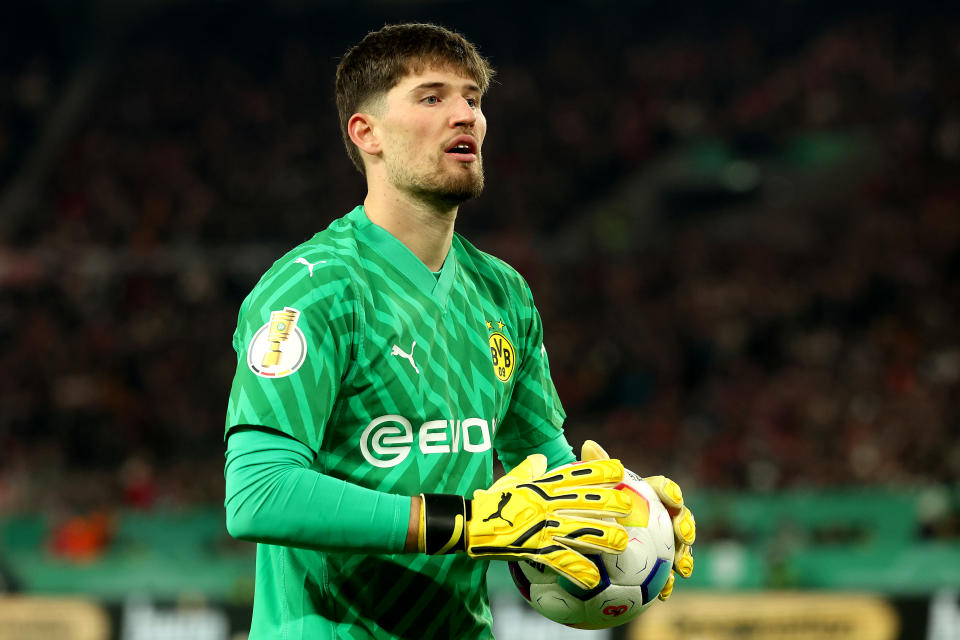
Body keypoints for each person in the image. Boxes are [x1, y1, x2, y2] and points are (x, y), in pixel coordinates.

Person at [224, 23, 695, 639]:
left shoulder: (504, 293)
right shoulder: (314, 288)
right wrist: (465, 524)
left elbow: (541, 467)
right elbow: (258, 493)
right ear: (366, 134)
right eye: (431, 97)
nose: (466, 115)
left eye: (473, 99)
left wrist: (620, 507)